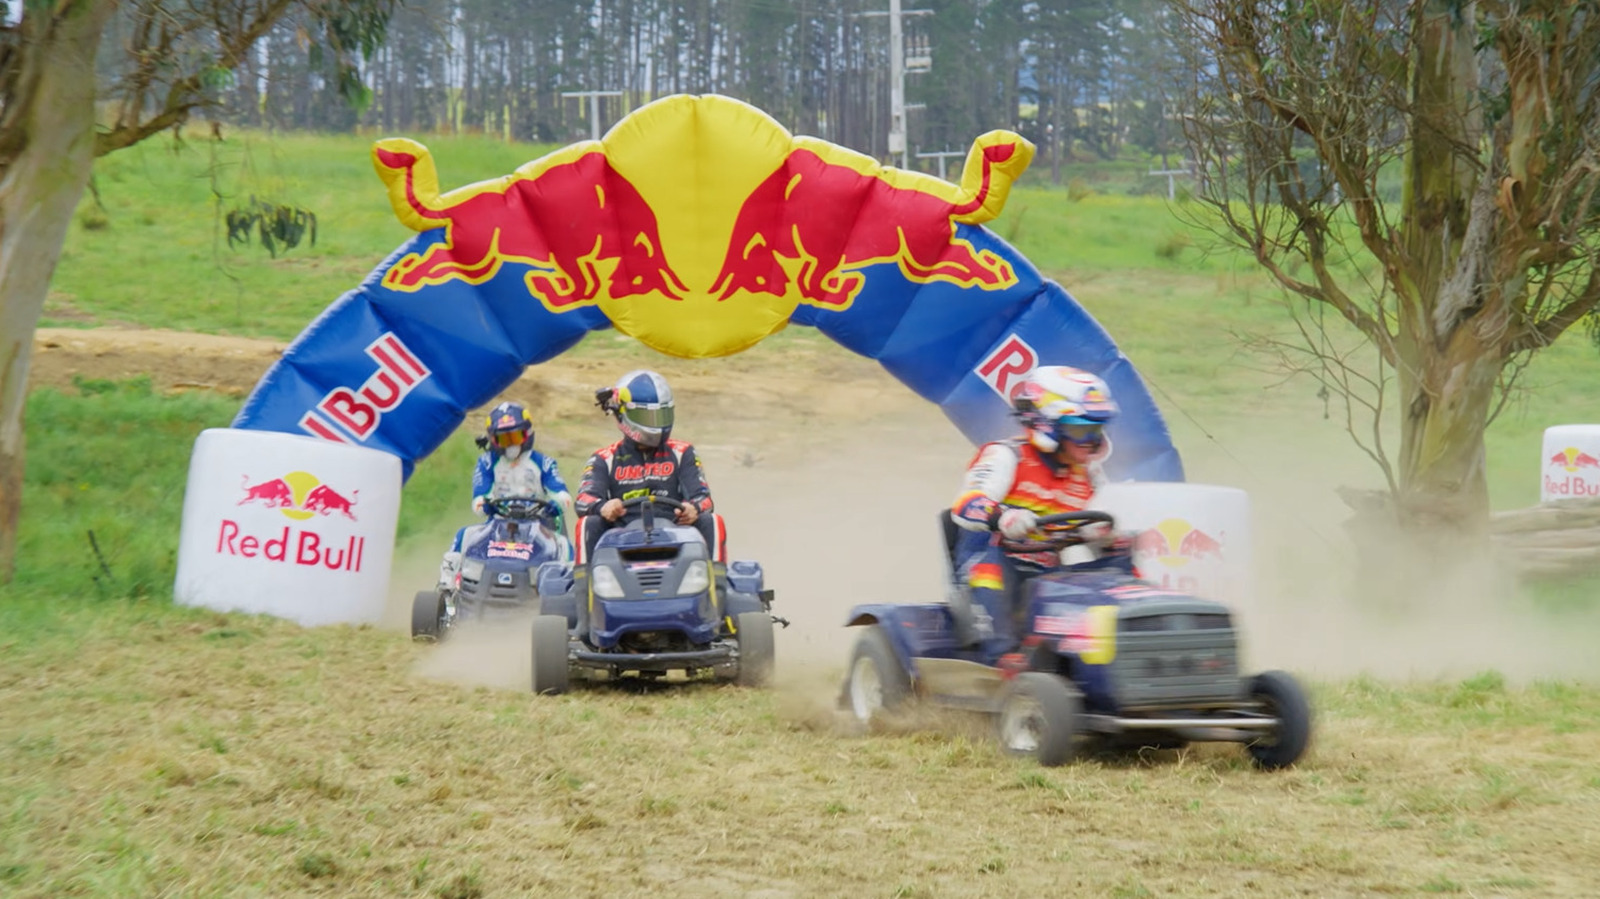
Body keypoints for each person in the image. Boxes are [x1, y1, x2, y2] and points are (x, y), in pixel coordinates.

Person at [950, 366, 1118, 665]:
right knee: (991, 570)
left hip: (1049, 574)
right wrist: (1003, 517)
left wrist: (1105, 537)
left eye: (1096, 429)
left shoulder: (1090, 473)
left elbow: (1105, 524)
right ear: (1047, 424)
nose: (1091, 439)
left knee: (1122, 557)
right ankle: (1003, 660)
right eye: (1081, 429)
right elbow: (965, 505)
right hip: (990, 563)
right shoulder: (1006, 455)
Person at [575, 369, 725, 563]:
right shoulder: (604, 458)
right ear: (624, 414)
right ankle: (585, 585)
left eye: (661, 416)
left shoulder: (683, 452)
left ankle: (716, 583)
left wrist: (693, 508)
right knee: (588, 523)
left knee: (711, 520)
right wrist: (603, 507)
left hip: (676, 534)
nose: (657, 426)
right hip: (620, 537)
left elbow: (704, 499)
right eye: (649, 418)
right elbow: (583, 500)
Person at [438, 401, 573, 589]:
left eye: (515, 436)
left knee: (565, 547)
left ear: (527, 433)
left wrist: (555, 505)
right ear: (493, 440)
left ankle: (566, 593)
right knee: (464, 535)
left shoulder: (544, 463)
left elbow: (563, 495)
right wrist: (486, 505)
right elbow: (479, 498)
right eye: (504, 439)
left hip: (539, 524)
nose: (511, 444)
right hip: (497, 522)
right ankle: (448, 591)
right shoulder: (486, 462)